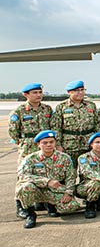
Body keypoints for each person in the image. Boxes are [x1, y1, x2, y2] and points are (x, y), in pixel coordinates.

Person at [16, 130, 81, 229]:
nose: (49, 145)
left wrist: (68, 193)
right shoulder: (30, 159)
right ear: (38, 144)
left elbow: (70, 177)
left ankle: (51, 205)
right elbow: (23, 175)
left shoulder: (64, 158)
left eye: (51, 142)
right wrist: (47, 182)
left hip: (54, 191)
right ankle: (30, 214)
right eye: (45, 143)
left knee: (72, 206)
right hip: (37, 190)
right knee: (26, 187)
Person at [9, 83, 53, 219]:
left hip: (46, 146)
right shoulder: (19, 111)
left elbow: (53, 126)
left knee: (45, 171)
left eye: (40, 92)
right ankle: (21, 206)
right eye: (34, 92)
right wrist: (24, 143)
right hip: (28, 146)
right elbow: (13, 132)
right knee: (23, 175)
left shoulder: (47, 109)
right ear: (26, 95)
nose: (38, 95)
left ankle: (43, 201)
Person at [52, 80, 100, 166]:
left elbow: (97, 124)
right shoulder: (61, 107)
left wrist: (99, 141)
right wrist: (58, 145)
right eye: (77, 90)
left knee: (89, 169)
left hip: (88, 144)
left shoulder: (91, 105)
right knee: (69, 169)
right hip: (69, 145)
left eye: (82, 90)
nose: (80, 92)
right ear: (69, 92)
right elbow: (56, 127)